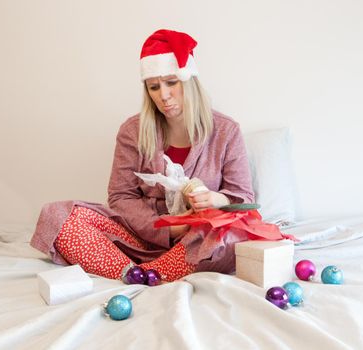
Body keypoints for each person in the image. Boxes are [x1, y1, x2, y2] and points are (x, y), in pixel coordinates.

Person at [30, 29, 255, 282]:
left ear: (188, 80)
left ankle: (141, 275)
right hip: (138, 239)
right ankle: (140, 272)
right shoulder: (132, 131)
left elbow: (243, 198)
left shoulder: (227, 131)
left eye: (172, 82)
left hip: (196, 241)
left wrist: (214, 199)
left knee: (231, 235)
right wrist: (167, 228)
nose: (163, 95)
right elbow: (120, 197)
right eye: (154, 87)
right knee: (57, 215)